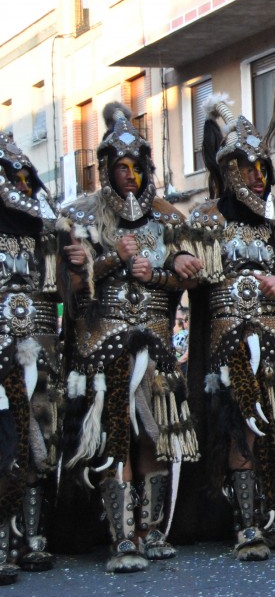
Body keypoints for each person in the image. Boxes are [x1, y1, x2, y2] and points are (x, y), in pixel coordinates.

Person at [184, 94, 275, 561]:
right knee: (241, 427)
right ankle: (246, 524)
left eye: (262, 167)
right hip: (230, 338)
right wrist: (179, 260)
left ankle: (272, 513)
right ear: (228, 171)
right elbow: (186, 270)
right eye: (247, 168)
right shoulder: (206, 219)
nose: (257, 176)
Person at [57, 103, 201, 572]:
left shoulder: (168, 216)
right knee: (116, 436)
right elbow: (71, 289)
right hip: (105, 346)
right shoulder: (81, 216)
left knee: (154, 438)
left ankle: (152, 529)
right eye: (121, 167)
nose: (130, 175)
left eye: (137, 166)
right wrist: (111, 260)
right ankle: (121, 537)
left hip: (157, 344)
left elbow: (188, 280)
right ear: (105, 169)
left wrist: (166, 270)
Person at [0, 132, 61, 584]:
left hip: (40, 347)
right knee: (4, 444)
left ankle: (33, 538)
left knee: (39, 436)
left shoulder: (46, 236)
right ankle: (3, 545)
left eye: (27, 177)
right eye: (14, 178)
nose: (23, 186)